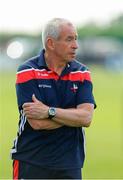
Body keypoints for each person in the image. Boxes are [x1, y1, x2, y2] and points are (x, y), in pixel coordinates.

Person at [11, 18, 96, 179]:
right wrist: (72, 116)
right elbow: (37, 123)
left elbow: (86, 118)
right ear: (51, 43)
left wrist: (48, 111)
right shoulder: (27, 71)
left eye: (76, 39)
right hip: (31, 161)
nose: (75, 45)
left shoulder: (82, 73)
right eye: (69, 39)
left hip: (70, 164)